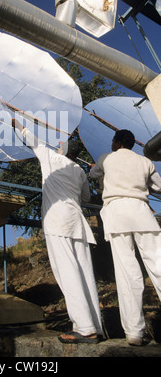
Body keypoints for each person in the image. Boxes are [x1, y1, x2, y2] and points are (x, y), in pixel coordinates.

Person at [12, 118, 103, 344]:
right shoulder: (80, 172)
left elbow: (33, 142)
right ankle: (94, 325)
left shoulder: (52, 158)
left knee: (68, 273)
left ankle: (84, 327)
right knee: (84, 274)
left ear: (63, 150)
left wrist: (17, 125)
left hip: (57, 222)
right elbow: (85, 199)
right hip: (77, 223)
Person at [90, 129, 161, 346]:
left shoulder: (106, 158)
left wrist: (100, 171)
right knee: (158, 265)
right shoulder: (145, 161)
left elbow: (93, 175)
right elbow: (158, 187)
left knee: (128, 272)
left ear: (118, 142)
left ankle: (135, 333)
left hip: (117, 213)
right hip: (141, 212)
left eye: (113, 140)